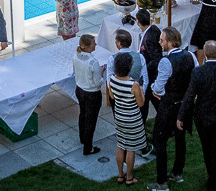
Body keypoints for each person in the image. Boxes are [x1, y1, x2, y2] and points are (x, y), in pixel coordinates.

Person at [178, 40, 216, 191]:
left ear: (204, 54)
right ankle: (215, 179)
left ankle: (212, 178)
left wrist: (181, 116)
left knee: (207, 148)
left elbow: (189, 96)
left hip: (203, 117)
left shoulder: (198, 72)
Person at [148, 26, 193, 191]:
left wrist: (153, 86)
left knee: (159, 142)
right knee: (180, 139)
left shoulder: (166, 62)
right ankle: (177, 173)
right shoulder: (190, 56)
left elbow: (158, 89)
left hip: (168, 106)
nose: (159, 43)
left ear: (170, 42)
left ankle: (161, 182)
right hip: (184, 106)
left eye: (162, 40)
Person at [106, 51, 146, 186]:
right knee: (131, 148)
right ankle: (129, 177)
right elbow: (141, 103)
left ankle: (120, 175)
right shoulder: (133, 84)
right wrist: (140, 88)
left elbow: (112, 96)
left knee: (120, 145)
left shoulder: (111, 80)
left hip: (119, 116)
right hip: (132, 118)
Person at [72, 34, 107, 156]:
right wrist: (102, 73)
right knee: (91, 121)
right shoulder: (93, 62)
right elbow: (98, 83)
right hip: (92, 94)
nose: (95, 44)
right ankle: (88, 147)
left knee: (83, 114)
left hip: (80, 90)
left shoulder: (76, 56)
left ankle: (83, 138)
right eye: (93, 43)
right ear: (87, 47)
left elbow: (74, 72)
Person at [135, 8, 162, 133]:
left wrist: (144, 70)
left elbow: (156, 58)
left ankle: (141, 125)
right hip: (151, 74)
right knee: (154, 99)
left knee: (145, 101)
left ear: (138, 22)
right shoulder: (154, 30)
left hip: (149, 75)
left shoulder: (148, 38)